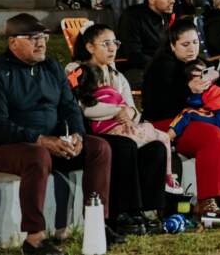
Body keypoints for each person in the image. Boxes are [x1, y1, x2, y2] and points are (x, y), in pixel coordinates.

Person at [0, 14, 118, 254]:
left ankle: (97, 222)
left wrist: (76, 135)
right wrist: (40, 139)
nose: (40, 43)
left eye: (42, 37)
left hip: (53, 143)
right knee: (37, 156)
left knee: (99, 148)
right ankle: (34, 238)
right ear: (13, 43)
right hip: (5, 147)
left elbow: (70, 107)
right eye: (32, 38)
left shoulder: (51, 67)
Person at [142, 20, 220, 218]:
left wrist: (216, 78)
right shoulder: (160, 67)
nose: (192, 48)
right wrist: (187, 90)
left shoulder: (201, 62)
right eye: (185, 44)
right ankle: (209, 200)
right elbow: (156, 106)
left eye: (195, 42)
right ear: (172, 45)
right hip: (167, 122)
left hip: (202, 117)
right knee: (212, 135)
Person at [68, 23, 173, 235]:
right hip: (92, 131)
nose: (112, 48)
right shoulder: (77, 71)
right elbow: (82, 106)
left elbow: (132, 109)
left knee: (155, 148)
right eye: (105, 44)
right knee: (124, 147)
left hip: (121, 127)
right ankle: (124, 212)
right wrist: (116, 111)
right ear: (89, 47)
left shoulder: (118, 76)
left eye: (114, 43)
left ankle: (146, 211)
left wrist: (128, 114)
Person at [116, 0, 175, 87]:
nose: (173, 0)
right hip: (134, 69)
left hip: (160, 66)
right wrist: (164, 65)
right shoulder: (132, 16)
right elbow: (133, 54)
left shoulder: (165, 15)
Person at [168, 59, 220, 140]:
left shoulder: (204, 88)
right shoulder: (216, 86)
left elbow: (195, 104)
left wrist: (194, 92)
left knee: (187, 112)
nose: (203, 78)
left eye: (203, 74)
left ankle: (168, 137)